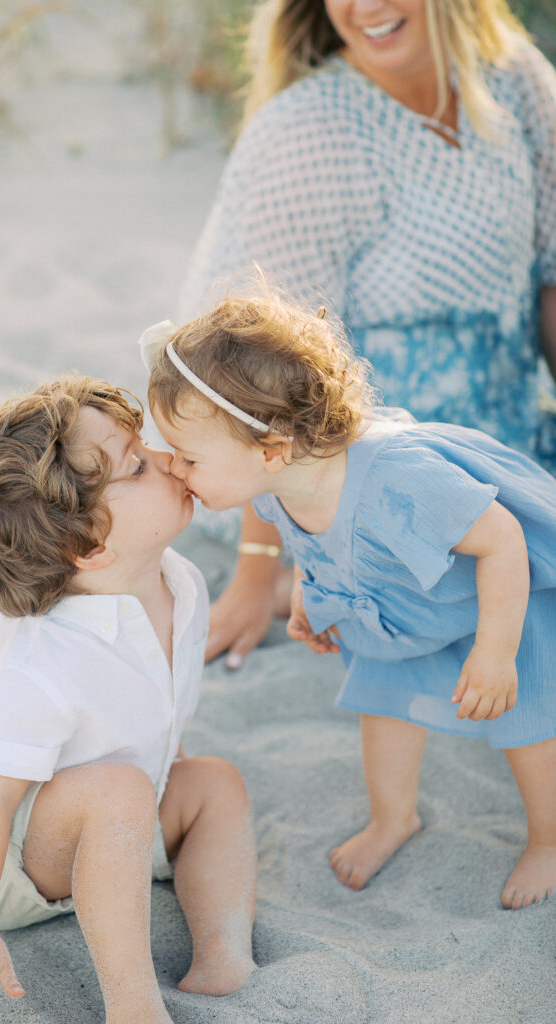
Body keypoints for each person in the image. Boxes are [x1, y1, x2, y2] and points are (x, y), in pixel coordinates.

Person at [140, 291, 556, 910]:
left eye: (190, 456)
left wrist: (495, 653)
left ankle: (548, 840)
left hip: (497, 602)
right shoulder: (277, 480)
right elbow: (309, 544)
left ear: (273, 448)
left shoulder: (399, 477)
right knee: (383, 704)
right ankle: (394, 820)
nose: (174, 468)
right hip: (405, 610)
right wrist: (311, 594)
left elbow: (503, 540)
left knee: (528, 726)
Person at [178, 0, 556, 669]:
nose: (364, 7)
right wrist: (256, 573)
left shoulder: (512, 77)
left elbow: (550, 276)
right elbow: (262, 374)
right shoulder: (311, 132)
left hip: (505, 436)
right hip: (361, 466)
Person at [0, 376, 257, 1024]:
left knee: (214, 784)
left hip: (111, 815)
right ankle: (132, 1006)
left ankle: (222, 954)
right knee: (119, 790)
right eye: (136, 463)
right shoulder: (42, 661)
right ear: (91, 548)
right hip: (11, 859)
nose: (162, 456)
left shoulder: (177, 582)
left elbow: (152, 712)